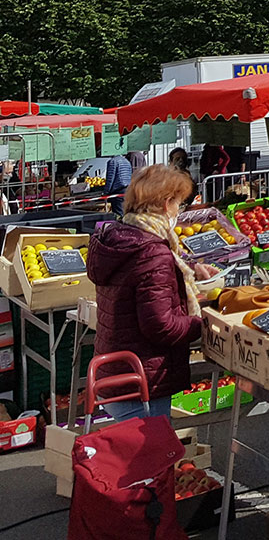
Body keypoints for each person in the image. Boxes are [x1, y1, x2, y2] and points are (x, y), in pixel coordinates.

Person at [87, 164, 212, 422]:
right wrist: (202, 324)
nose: (179, 210)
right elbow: (160, 324)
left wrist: (189, 268)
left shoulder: (120, 237)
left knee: (133, 455)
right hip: (143, 379)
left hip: (117, 370)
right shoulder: (152, 251)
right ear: (167, 204)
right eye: (179, 203)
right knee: (148, 457)